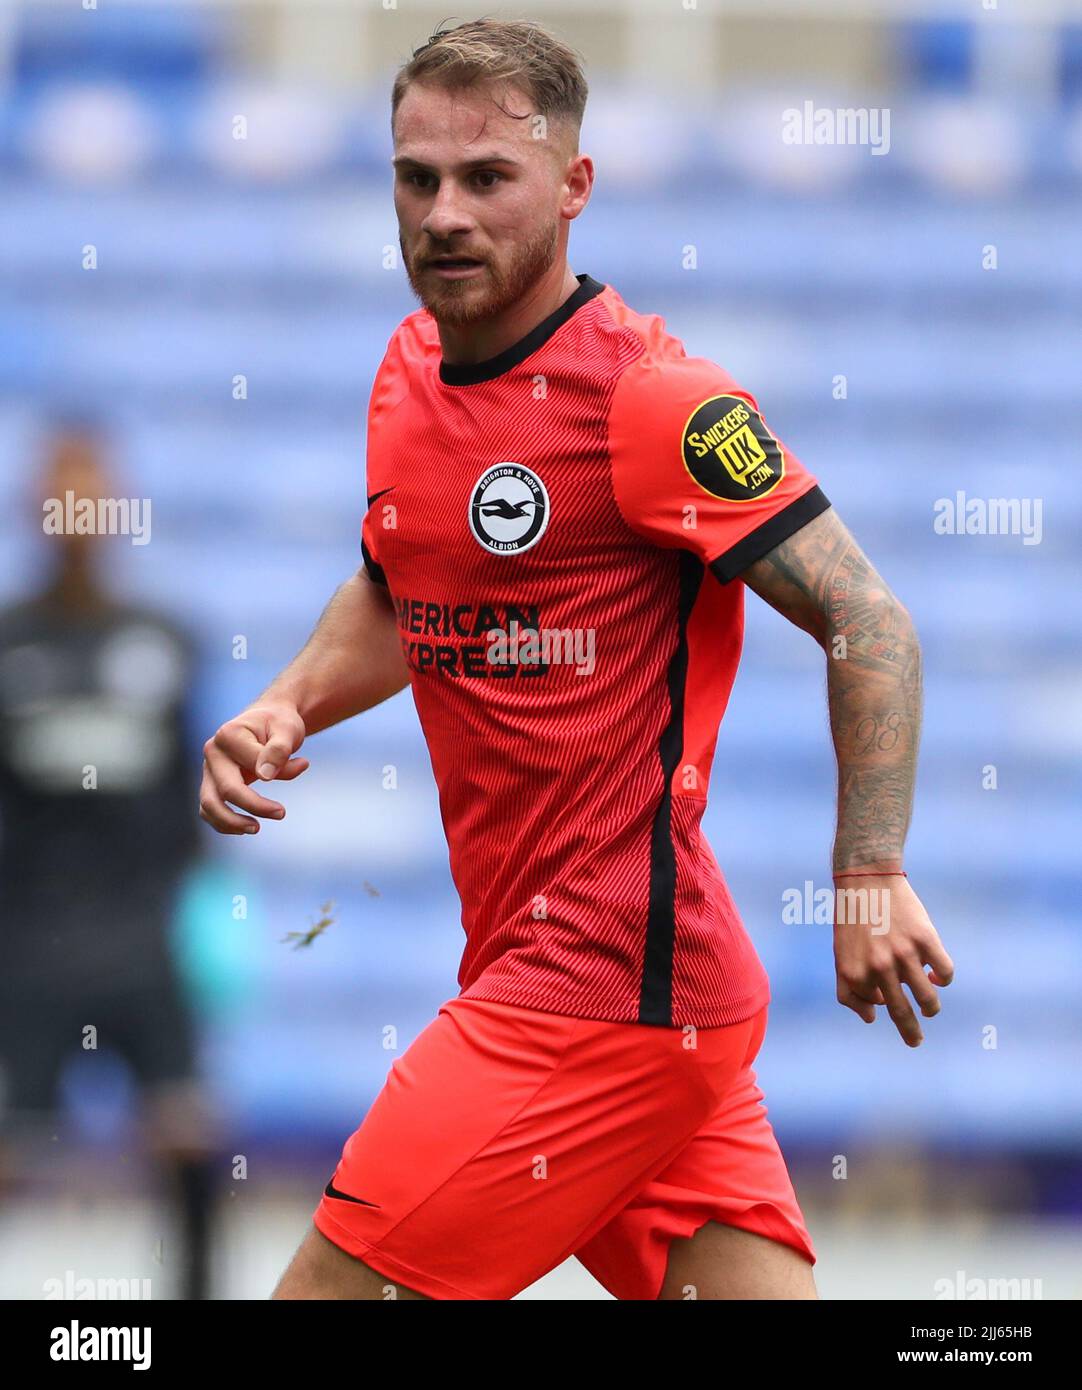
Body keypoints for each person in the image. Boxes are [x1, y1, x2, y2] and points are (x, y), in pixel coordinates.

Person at [199, 18, 955, 1301]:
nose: (443, 212)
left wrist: (867, 869)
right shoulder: (404, 374)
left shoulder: (654, 403)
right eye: (415, 176)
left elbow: (867, 619)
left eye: (486, 178)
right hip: (631, 999)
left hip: (596, 990)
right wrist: (285, 703)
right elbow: (399, 589)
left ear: (572, 185)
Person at [0, 423, 218, 1300]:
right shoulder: (8, 643)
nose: (75, 511)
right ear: (34, 508)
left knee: (191, 1140)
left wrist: (203, 916)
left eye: (92, 492)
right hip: (27, 940)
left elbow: (188, 798)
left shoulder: (165, 641)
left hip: (140, 934)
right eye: (60, 492)